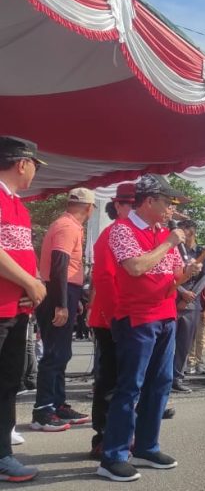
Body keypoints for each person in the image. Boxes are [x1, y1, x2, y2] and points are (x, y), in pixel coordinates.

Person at [97, 174, 198, 482]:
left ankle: (146, 446)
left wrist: (187, 273)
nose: (172, 209)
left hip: (165, 315)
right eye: (168, 202)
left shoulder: (163, 233)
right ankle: (112, 455)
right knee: (130, 386)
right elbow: (136, 267)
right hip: (136, 318)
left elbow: (172, 277)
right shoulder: (121, 230)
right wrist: (169, 242)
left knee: (161, 383)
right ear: (150, 201)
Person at [0, 136, 47, 482]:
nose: (35, 172)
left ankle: (2, 453)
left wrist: (32, 283)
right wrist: (30, 282)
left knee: (8, 383)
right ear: (22, 163)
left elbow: (18, 255)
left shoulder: (19, 205)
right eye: (34, 165)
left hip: (16, 310)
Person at [32, 187, 96, 431]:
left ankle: (56, 404)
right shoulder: (67, 226)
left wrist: (72, 299)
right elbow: (59, 263)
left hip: (65, 289)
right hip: (58, 290)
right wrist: (61, 303)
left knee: (61, 352)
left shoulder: (67, 225)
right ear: (89, 208)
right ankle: (43, 409)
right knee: (55, 353)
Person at [87, 183, 135, 459]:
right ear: (118, 206)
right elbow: (104, 281)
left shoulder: (132, 234)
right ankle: (103, 437)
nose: (135, 209)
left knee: (126, 381)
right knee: (109, 381)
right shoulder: (110, 234)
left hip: (127, 317)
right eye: (130, 203)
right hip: (111, 318)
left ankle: (123, 434)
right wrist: (118, 317)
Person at [172, 220, 205, 393]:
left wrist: (188, 298)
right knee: (166, 343)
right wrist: (180, 292)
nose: (181, 234)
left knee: (184, 343)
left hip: (192, 302)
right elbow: (169, 275)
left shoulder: (203, 252)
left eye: (184, 230)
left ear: (192, 231)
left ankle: (177, 377)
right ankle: (161, 377)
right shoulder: (174, 250)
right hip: (173, 298)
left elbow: (204, 279)